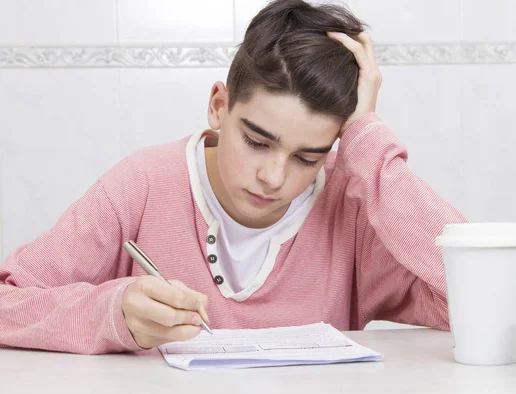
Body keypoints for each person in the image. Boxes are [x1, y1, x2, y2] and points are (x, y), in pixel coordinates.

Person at [0, 0, 467, 355]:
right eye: (257, 141)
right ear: (219, 106)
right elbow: (7, 304)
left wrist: (367, 140)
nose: (273, 177)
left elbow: (474, 299)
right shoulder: (141, 185)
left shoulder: (350, 205)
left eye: (307, 157)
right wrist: (111, 312)